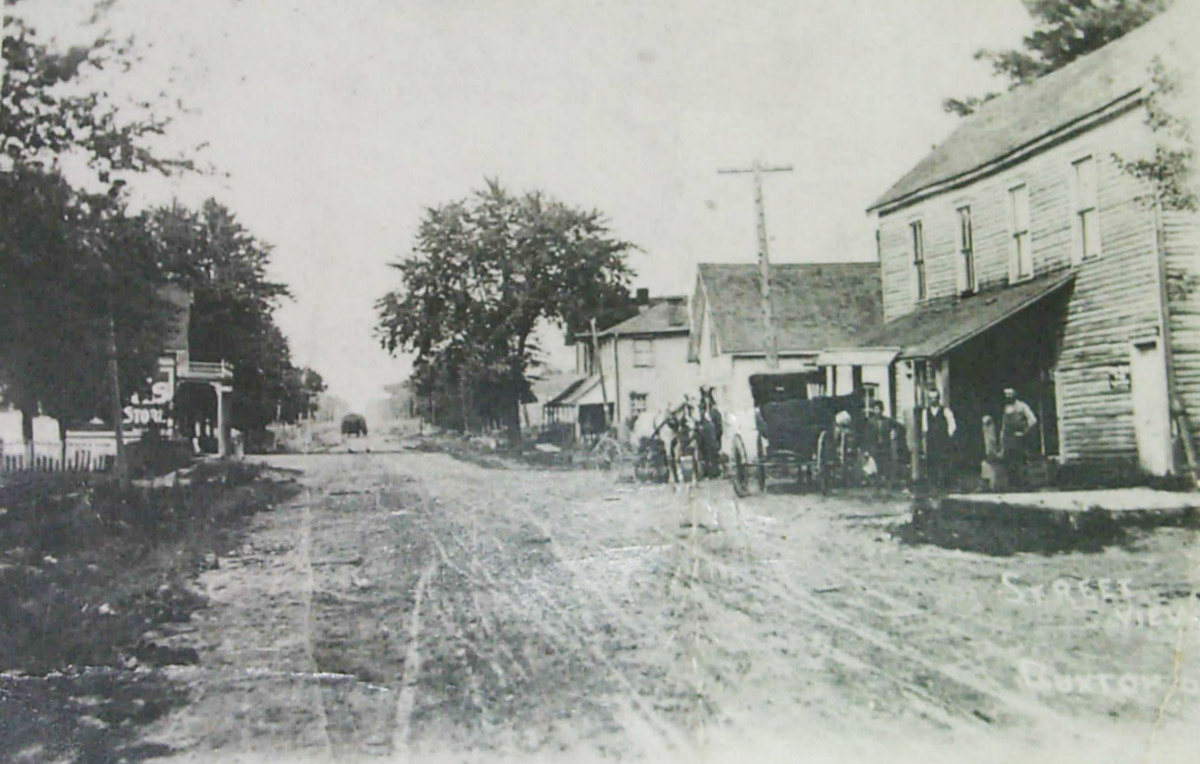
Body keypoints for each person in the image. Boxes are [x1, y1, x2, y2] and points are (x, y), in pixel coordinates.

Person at [1000, 387, 1038, 490]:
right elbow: (1004, 426)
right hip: (1008, 439)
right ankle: (1013, 486)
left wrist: (1024, 432)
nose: (1008, 396)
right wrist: (1002, 439)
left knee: (1021, 462)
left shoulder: (1022, 406)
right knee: (1009, 462)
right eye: (1006, 394)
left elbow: (1033, 420)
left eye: (1010, 394)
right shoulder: (1006, 408)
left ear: (1015, 394)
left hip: (1019, 439)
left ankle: (1025, 485)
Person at [922, 388, 956, 490]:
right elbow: (925, 428)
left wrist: (948, 437)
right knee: (932, 463)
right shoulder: (925, 412)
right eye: (931, 398)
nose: (933, 400)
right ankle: (933, 486)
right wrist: (925, 442)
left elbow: (952, 425)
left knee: (944, 463)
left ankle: (945, 485)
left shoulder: (945, 410)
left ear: (938, 398)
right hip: (931, 441)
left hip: (943, 441)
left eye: (935, 398)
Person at [864, 399, 899, 486]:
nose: (877, 411)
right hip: (874, 447)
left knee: (885, 465)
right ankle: (876, 485)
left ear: (882, 410)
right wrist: (867, 450)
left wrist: (894, 433)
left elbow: (899, 427)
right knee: (874, 466)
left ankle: (886, 484)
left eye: (879, 409)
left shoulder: (887, 421)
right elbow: (866, 437)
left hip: (885, 446)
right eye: (875, 409)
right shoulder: (870, 422)